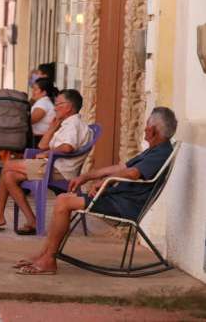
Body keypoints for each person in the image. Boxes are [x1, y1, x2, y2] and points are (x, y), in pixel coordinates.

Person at [14, 107, 177, 275]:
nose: (144, 128)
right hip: (117, 199)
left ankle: (48, 259)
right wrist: (87, 176)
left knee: (64, 202)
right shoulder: (154, 151)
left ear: (153, 130)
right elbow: (121, 167)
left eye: (147, 125)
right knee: (64, 198)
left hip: (123, 205)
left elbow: (133, 173)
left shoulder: (160, 153)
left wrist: (104, 182)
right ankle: (45, 254)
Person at [0, 89, 91, 235]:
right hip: (51, 167)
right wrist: (52, 128)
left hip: (57, 170)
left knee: (8, 166)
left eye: (58, 104)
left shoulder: (73, 125)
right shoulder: (67, 124)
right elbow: (42, 145)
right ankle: (30, 220)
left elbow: (67, 147)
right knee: (9, 176)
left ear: (68, 107)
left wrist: (48, 153)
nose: (55, 108)